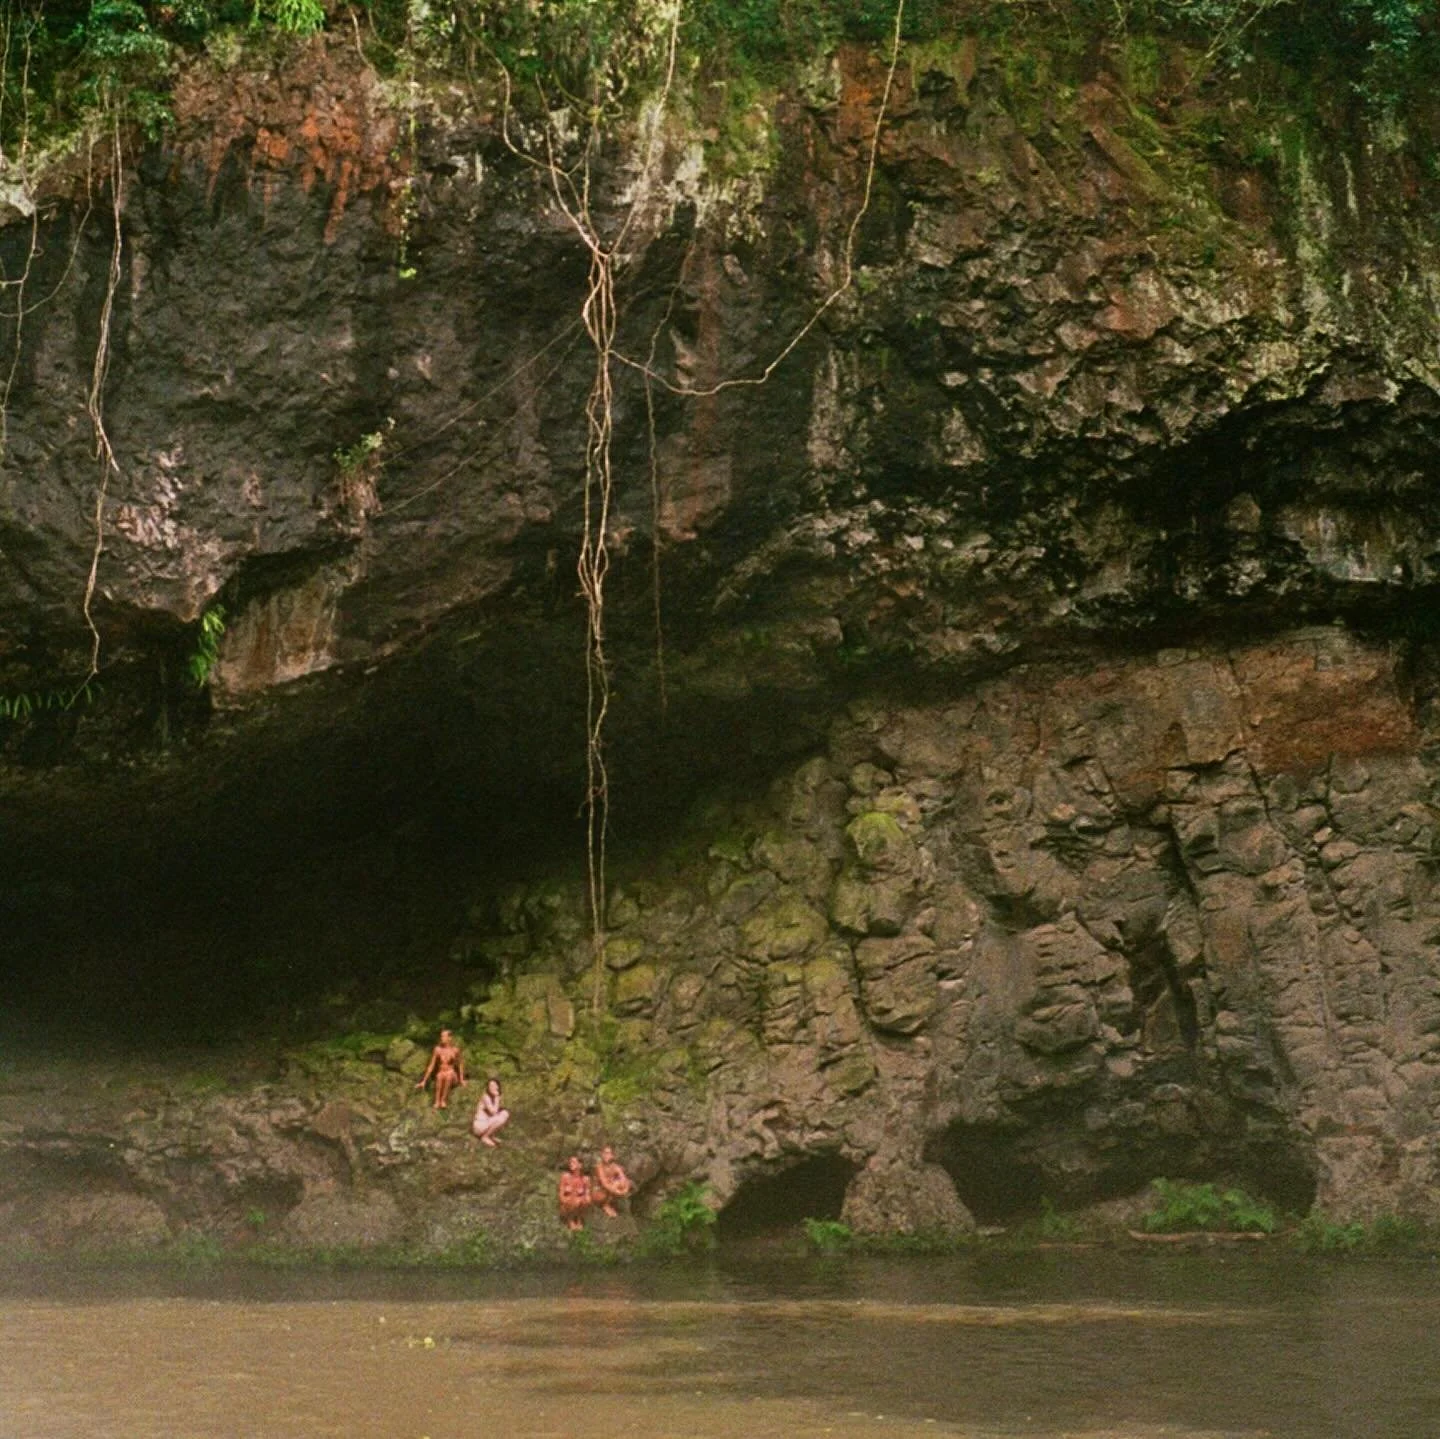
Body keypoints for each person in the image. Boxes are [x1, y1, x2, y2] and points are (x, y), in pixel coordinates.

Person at [415, 1029, 466, 1110]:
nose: (442, 1038)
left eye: (444, 1036)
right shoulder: (437, 1049)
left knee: (448, 1075)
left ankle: (443, 1100)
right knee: (439, 1076)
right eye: (441, 1036)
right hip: (442, 1072)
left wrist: (462, 1079)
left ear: (450, 1038)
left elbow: (460, 1064)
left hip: (451, 1074)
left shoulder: (455, 1050)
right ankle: (437, 1101)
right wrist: (424, 1081)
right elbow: (431, 1065)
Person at [591, 1145, 632, 1218]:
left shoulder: (615, 1166)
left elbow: (624, 1179)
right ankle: (605, 1205)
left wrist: (624, 1189)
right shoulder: (599, 1167)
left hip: (610, 1191)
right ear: (601, 1154)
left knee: (625, 1182)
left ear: (612, 1156)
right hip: (598, 1193)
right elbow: (604, 1184)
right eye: (605, 1153)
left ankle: (610, 1203)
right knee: (614, 1184)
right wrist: (618, 1192)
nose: (606, 1155)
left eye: (608, 1153)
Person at [470, 1077, 510, 1147]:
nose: (492, 1088)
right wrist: (497, 1097)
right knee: (501, 1118)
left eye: (494, 1085)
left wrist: (497, 1098)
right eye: (490, 1086)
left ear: (498, 1087)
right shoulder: (486, 1097)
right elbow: (493, 1112)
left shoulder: (494, 1097)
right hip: (479, 1126)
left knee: (505, 1113)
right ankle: (485, 1137)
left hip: (486, 1122)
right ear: (487, 1088)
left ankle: (490, 1135)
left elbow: (498, 1109)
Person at [558, 1155, 591, 1231]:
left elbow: (587, 1193)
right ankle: (570, 1220)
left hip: (579, 1204)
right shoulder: (565, 1177)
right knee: (573, 1201)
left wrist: (584, 1199)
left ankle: (579, 1220)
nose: (571, 1164)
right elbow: (561, 1193)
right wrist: (567, 1201)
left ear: (580, 1165)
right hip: (568, 1206)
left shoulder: (585, 1179)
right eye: (570, 1162)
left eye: (574, 1162)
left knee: (585, 1201)